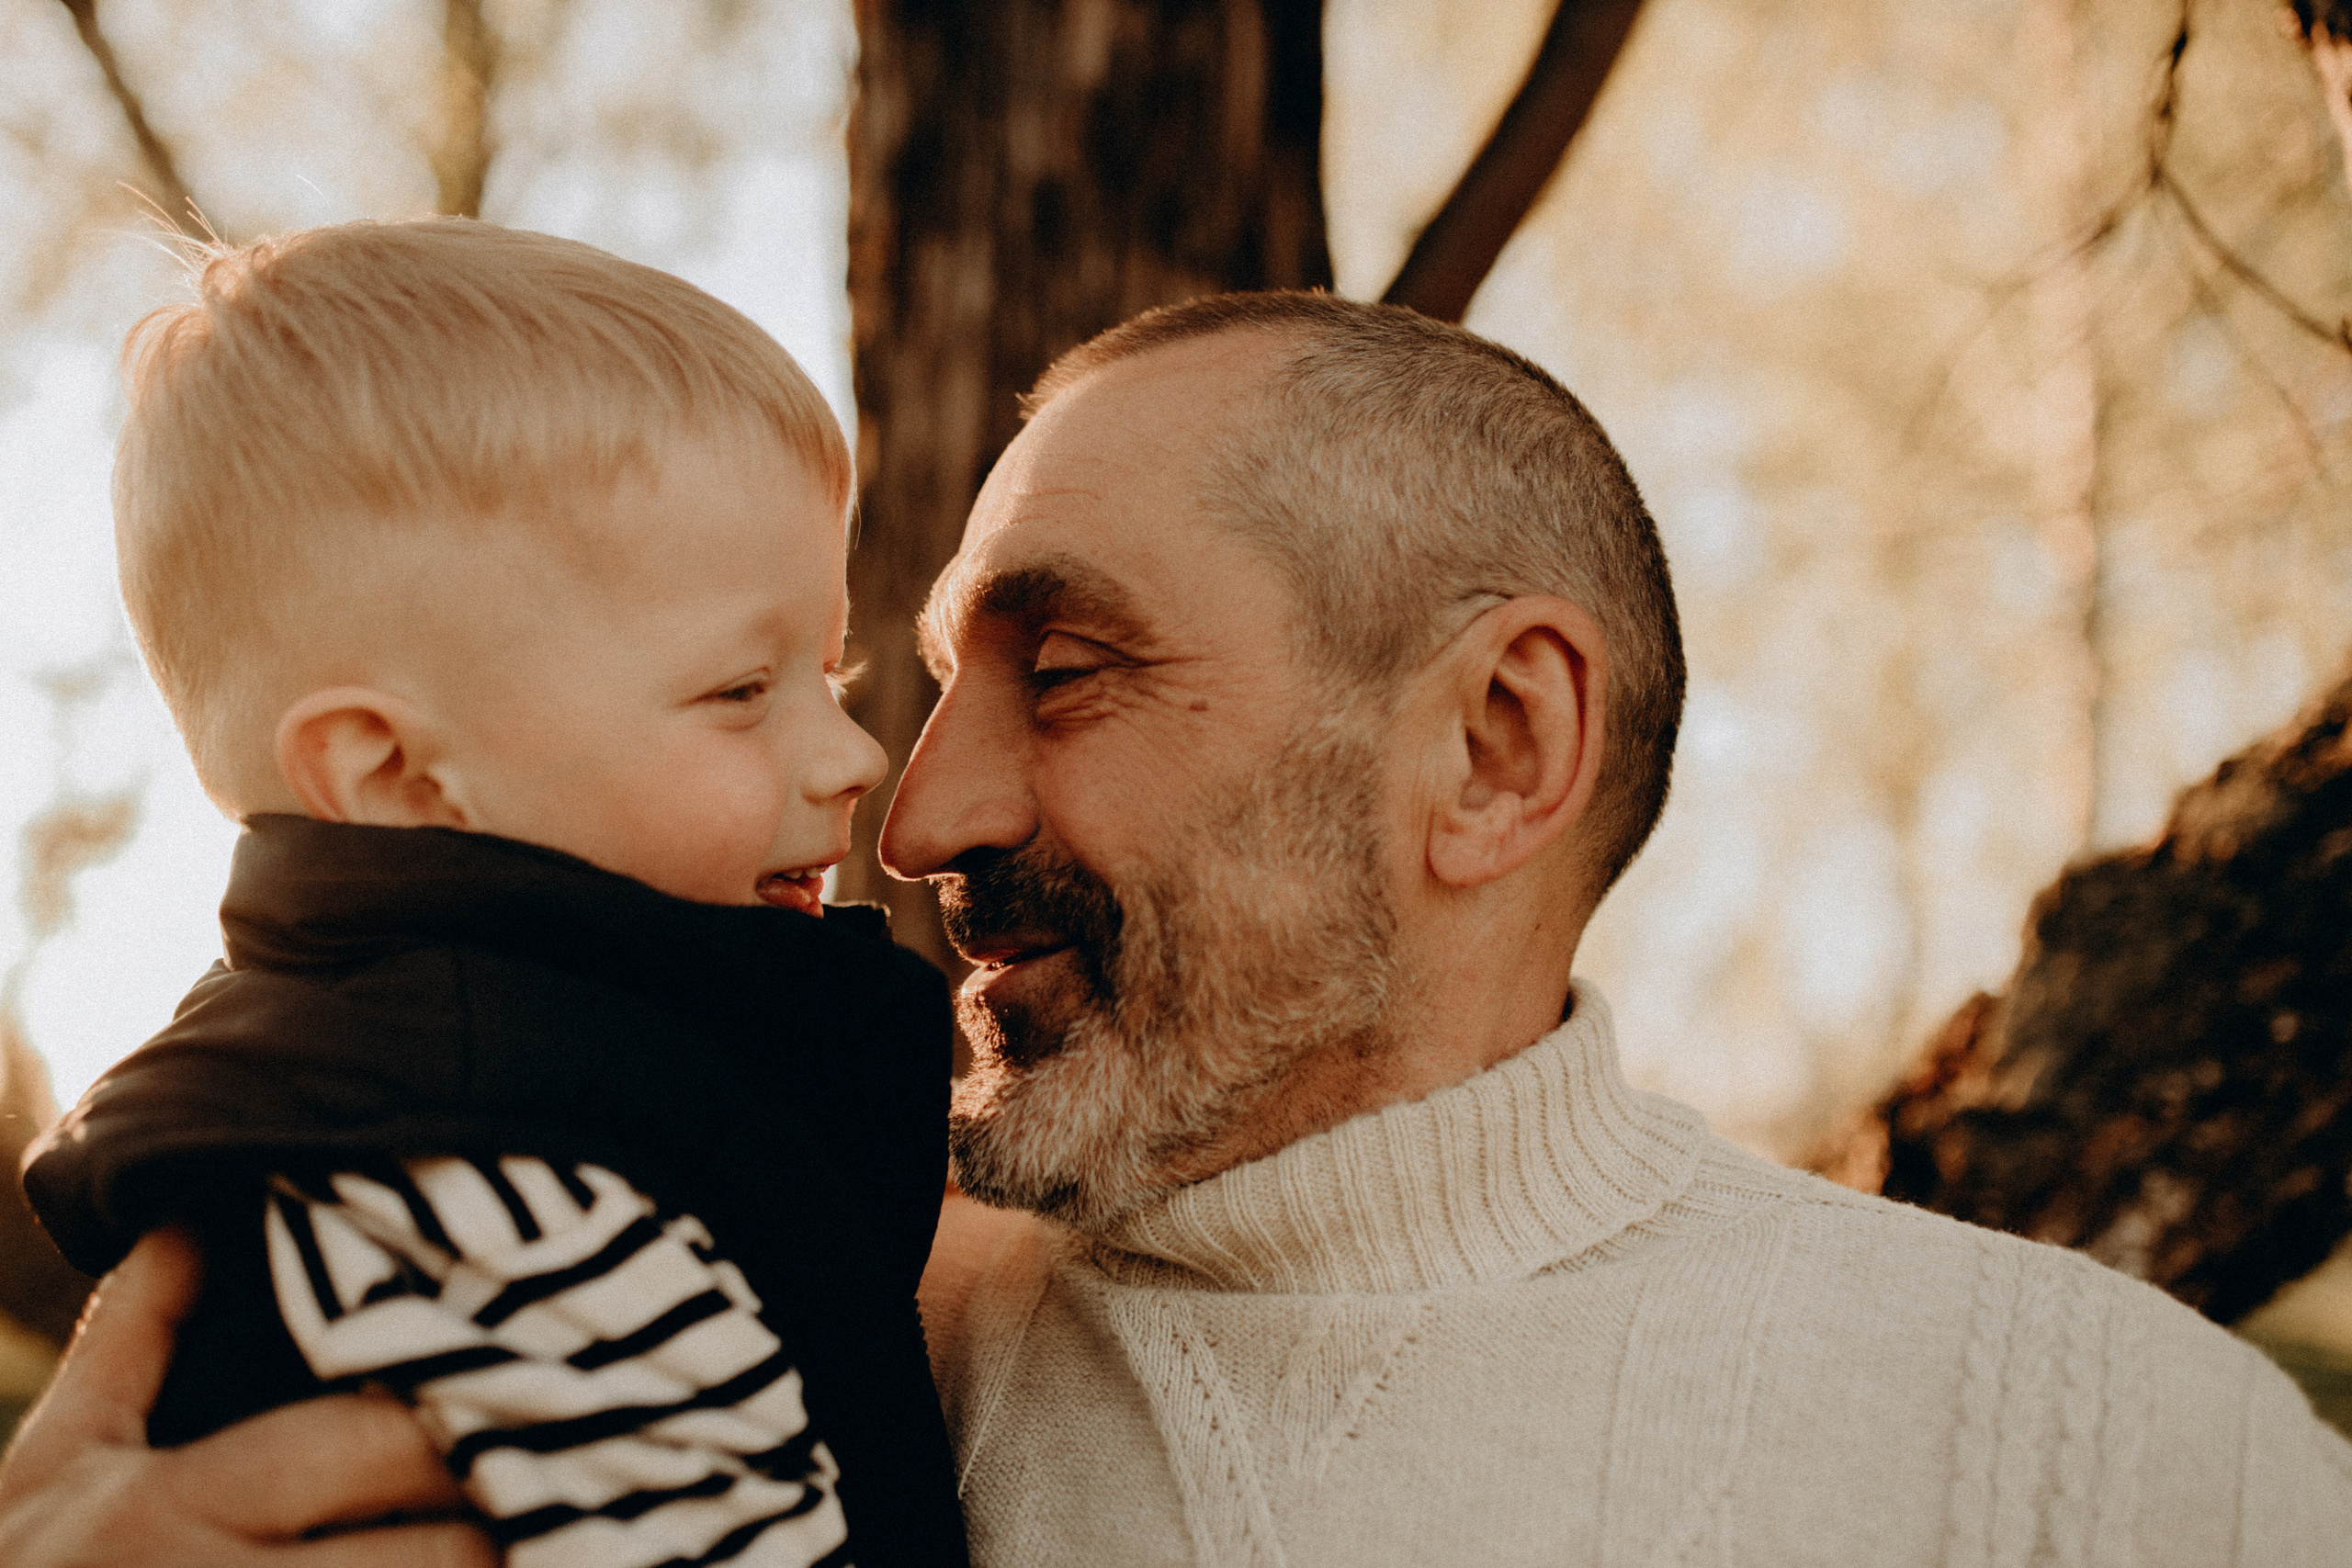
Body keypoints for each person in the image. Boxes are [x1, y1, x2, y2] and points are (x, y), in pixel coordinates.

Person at [8, 291, 2352, 1565]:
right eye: (897, 682)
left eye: (1074, 663)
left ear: (1494, 748)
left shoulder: (2116, 1460)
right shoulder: (736, 1278)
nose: (911, 807)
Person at [8, 220, 967, 1568]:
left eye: (832, 675)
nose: (855, 757)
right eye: (741, 692)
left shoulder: (552, 1084)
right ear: (395, 774)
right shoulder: (497, 1193)